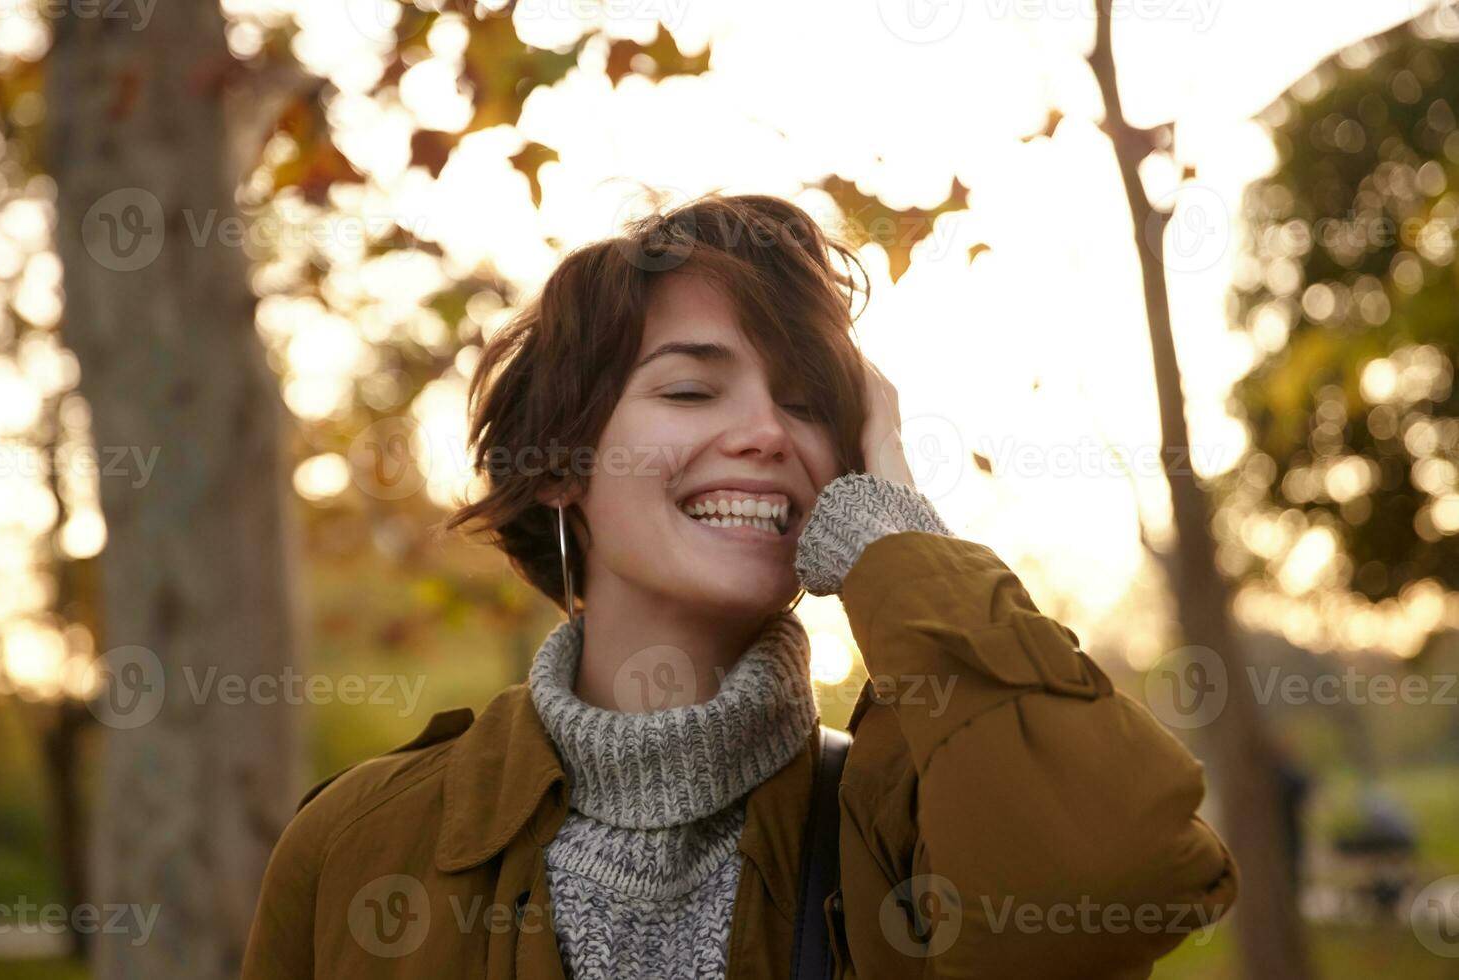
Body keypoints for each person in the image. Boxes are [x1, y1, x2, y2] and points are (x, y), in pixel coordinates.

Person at [241, 193, 1238, 979]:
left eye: (807, 403)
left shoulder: (913, 822)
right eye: (689, 388)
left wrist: (893, 537)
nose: (767, 431)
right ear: (560, 463)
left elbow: (1113, 873)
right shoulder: (358, 845)